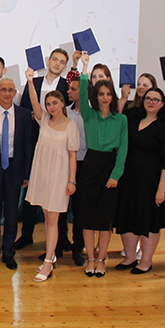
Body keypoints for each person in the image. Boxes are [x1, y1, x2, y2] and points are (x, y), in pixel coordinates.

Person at [22, 69, 79, 282]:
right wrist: (30, 81)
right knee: (47, 217)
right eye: (48, 104)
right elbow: (33, 101)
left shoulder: (71, 126)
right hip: (42, 174)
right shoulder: (44, 120)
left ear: (62, 103)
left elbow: (73, 156)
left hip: (59, 176)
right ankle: (50, 255)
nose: (51, 107)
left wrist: (72, 181)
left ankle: (48, 262)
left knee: (53, 219)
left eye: (55, 103)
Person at [114, 87, 165, 274]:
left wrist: (161, 189)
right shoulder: (132, 117)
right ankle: (129, 257)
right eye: (148, 98)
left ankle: (146, 261)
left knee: (149, 221)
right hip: (128, 179)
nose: (151, 102)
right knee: (127, 218)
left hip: (152, 183)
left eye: (155, 99)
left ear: (162, 104)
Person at [76, 52, 129, 275]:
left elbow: (123, 149)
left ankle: (101, 259)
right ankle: (90, 258)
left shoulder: (121, 119)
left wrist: (116, 174)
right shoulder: (89, 115)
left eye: (108, 94)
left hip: (110, 166)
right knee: (88, 217)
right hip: (90, 166)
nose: (105, 97)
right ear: (96, 96)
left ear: (112, 96)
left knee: (105, 219)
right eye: (101, 94)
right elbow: (82, 93)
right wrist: (84, 69)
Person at [0, 78, 36, 271]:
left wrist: (27, 174)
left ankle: (9, 252)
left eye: (11, 90)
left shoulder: (24, 115)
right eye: (3, 90)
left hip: (15, 169)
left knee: (11, 214)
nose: (7, 93)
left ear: (15, 92)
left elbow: (28, 147)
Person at [15, 48, 70, 251]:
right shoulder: (34, 82)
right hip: (32, 140)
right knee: (32, 188)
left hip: (57, 143)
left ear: (65, 67)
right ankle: (26, 234)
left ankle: (61, 238)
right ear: (48, 61)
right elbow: (24, 108)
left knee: (58, 192)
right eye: (54, 59)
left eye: (61, 62)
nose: (57, 63)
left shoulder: (66, 87)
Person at [64, 76, 89, 265]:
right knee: (60, 207)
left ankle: (78, 248)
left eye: (73, 89)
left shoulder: (92, 113)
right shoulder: (65, 111)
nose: (69, 91)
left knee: (81, 209)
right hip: (64, 163)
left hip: (85, 164)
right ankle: (57, 246)